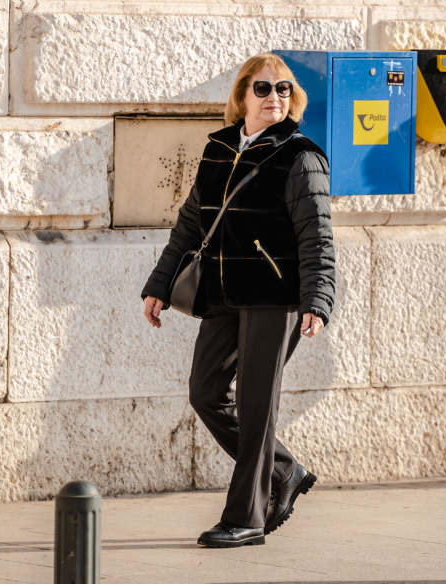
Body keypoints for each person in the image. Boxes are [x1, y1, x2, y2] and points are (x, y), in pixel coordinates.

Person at [141, 53, 336, 547]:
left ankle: (246, 517)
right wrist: (160, 284)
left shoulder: (301, 156)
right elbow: (191, 223)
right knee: (205, 392)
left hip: (274, 296)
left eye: (284, 89)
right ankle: (284, 471)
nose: (275, 97)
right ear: (242, 95)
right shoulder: (219, 149)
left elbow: (317, 236)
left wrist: (317, 300)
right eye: (264, 88)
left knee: (256, 406)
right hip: (223, 293)